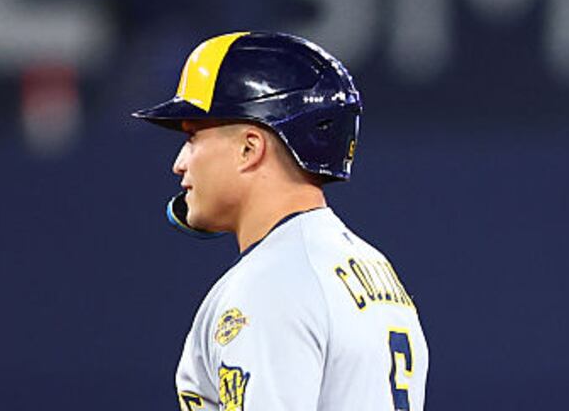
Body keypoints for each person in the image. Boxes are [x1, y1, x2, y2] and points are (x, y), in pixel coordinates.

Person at [134, 31, 428, 411]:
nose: (180, 162)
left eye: (193, 137)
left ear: (249, 148)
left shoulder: (271, 283)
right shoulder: (374, 270)